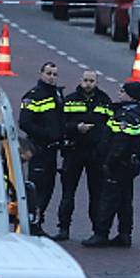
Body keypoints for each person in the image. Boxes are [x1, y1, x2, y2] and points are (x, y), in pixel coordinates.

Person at [83, 81, 140, 248]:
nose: (119, 94)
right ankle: (124, 234)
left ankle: (101, 233)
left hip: (118, 165)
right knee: (125, 200)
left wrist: (109, 161)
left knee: (108, 199)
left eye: (122, 91)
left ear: (130, 95)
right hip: (130, 164)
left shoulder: (124, 116)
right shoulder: (139, 114)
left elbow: (120, 142)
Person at [54, 70, 111, 242]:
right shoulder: (70, 99)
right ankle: (63, 228)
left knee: (97, 194)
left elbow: (110, 126)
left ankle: (98, 231)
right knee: (67, 193)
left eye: (91, 81)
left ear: (96, 82)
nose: (88, 84)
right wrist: (76, 128)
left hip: (96, 154)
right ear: (81, 81)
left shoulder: (104, 100)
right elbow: (61, 124)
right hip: (74, 151)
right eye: (86, 80)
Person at [18, 62, 64, 235]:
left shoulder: (57, 95)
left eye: (54, 74)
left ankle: (38, 222)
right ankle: (32, 224)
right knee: (37, 188)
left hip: (52, 150)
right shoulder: (34, 95)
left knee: (49, 187)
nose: (51, 77)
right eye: (48, 73)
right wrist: (46, 135)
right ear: (41, 74)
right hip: (39, 149)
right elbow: (25, 122)